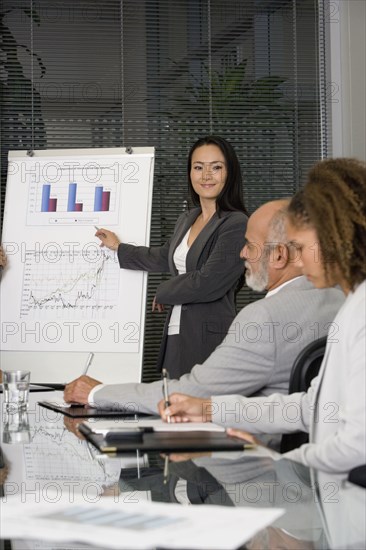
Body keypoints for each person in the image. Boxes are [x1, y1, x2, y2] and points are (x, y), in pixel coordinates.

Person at [160, 158, 366, 474]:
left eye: (297, 245)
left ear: (331, 238)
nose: (291, 257)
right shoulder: (352, 305)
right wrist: (210, 408)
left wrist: (277, 462)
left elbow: (356, 446)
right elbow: (313, 407)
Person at [64, 200, 344, 423]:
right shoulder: (342, 302)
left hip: (256, 465)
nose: (242, 254)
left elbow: (188, 395)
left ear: (280, 255)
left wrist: (97, 393)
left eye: (249, 245)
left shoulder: (263, 318)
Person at [94, 136, 248, 378]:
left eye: (216, 167)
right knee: (171, 406)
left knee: (198, 411)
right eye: (198, 167)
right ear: (190, 173)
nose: (206, 175)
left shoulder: (236, 223)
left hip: (208, 336)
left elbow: (209, 281)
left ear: (230, 173)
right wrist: (118, 247)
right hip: (177, 330)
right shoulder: (187, 219)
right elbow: (164, 256)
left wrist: (164, 290)